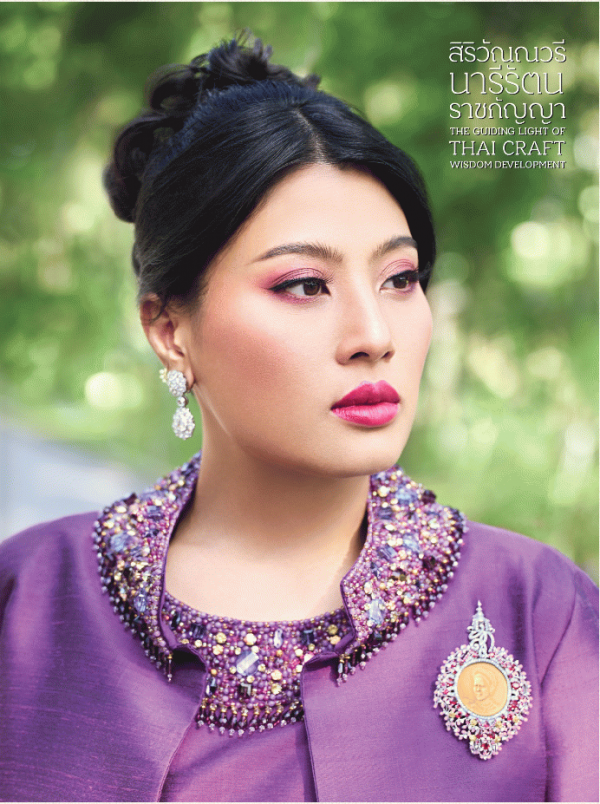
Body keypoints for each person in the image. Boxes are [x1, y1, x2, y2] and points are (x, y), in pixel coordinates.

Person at [0, 34, 597, 803]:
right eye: (306, 285)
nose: (374, 336)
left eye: (400, 278)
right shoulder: (31, 600)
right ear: (170, 329)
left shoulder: (539, 614)